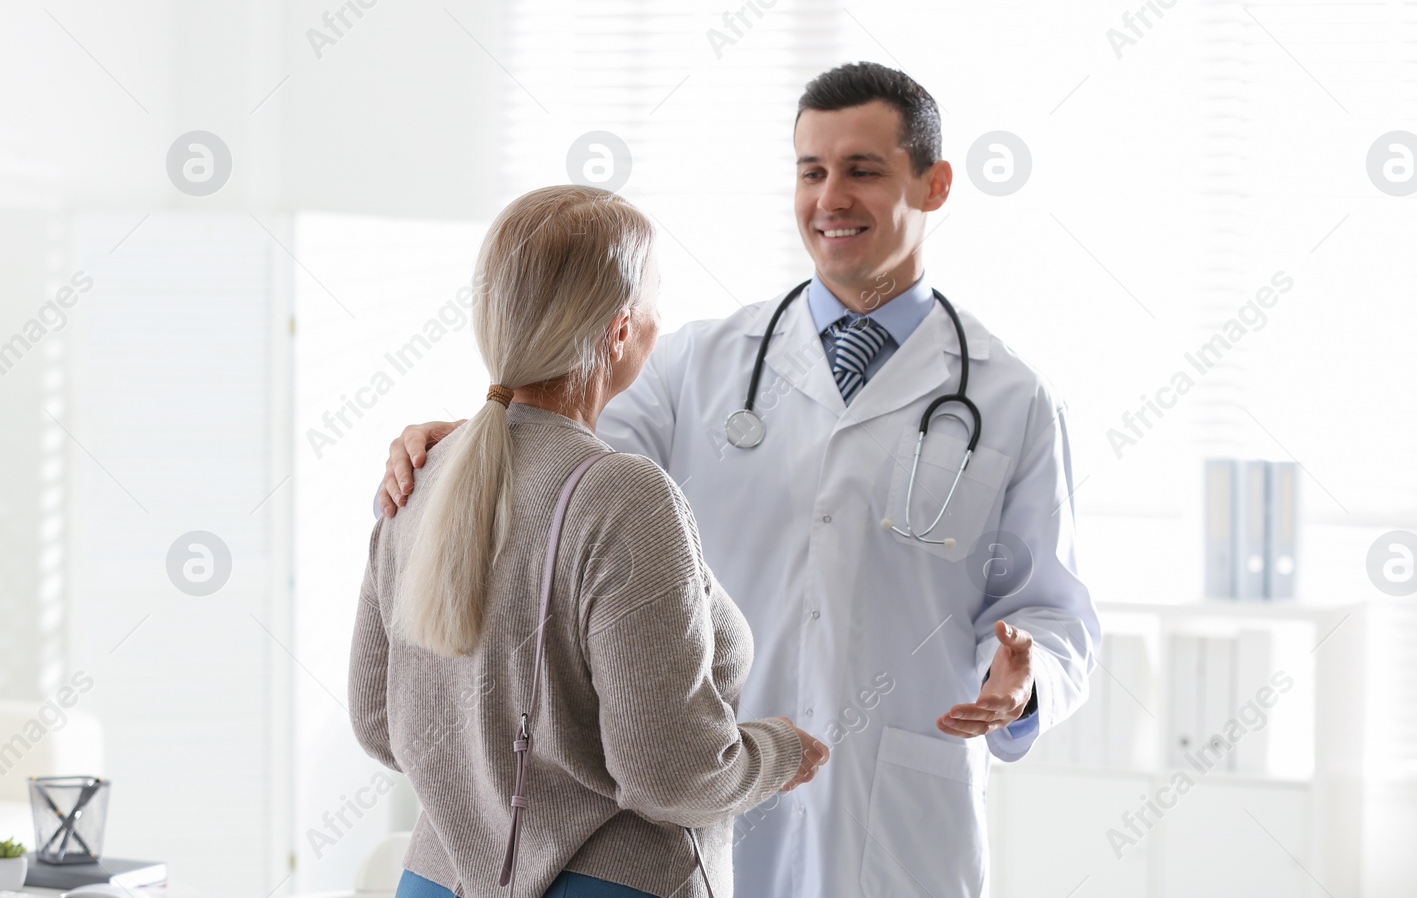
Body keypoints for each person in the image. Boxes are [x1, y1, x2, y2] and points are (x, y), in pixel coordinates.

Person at [377, 64, 1100, 897]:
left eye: (863, 170)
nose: (831, 197)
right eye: (811, 171)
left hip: (895, 811)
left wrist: (1028, 675)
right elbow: (554, 463)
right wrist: (463, 440)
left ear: (934, 185)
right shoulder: (697, 362)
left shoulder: (1009, 398)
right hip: (706, 783)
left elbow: (1053, 605)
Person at [349, 185, 828, 898]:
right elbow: (669, 774)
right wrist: (778, 751)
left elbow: (380, 723)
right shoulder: (627, 494)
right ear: (618, 329)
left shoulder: (419, 476)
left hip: (432, 881)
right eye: (655, 304)